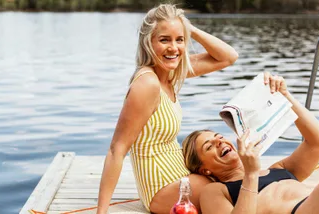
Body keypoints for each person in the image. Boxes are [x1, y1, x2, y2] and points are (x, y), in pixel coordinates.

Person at [96, 3, 239, 214]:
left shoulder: (170, 73)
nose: (174, 48)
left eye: (179, 39)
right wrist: (102, 212)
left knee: (244, 178)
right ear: (148, 43)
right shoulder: (147, 84)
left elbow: (228, 57)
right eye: (164, 39)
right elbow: (117, 150)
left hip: (179, 174)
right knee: (237, 192)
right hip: (161, 187)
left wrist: (189, 28)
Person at [182, 73, 319, 214]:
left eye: (219, 137)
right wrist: (251, 173)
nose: (219, 141)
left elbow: (318, 142)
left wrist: (285, 96)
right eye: (209, 146)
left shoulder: (279, 168)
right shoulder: (215, 191)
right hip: (301, 210)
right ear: (204, 169)